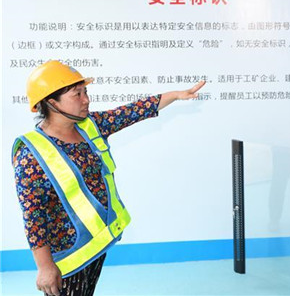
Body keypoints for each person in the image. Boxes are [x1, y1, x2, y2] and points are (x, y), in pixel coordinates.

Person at [11, 60, 205, 296]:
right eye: (77, 94)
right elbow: (33, 214)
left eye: (85, 92)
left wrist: (174, 95)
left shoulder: (89, 126)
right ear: (52, 102)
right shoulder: (32, 155)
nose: (86, 100)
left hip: (96, 246)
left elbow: (130, 112)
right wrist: (44, 266)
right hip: (69, 258)